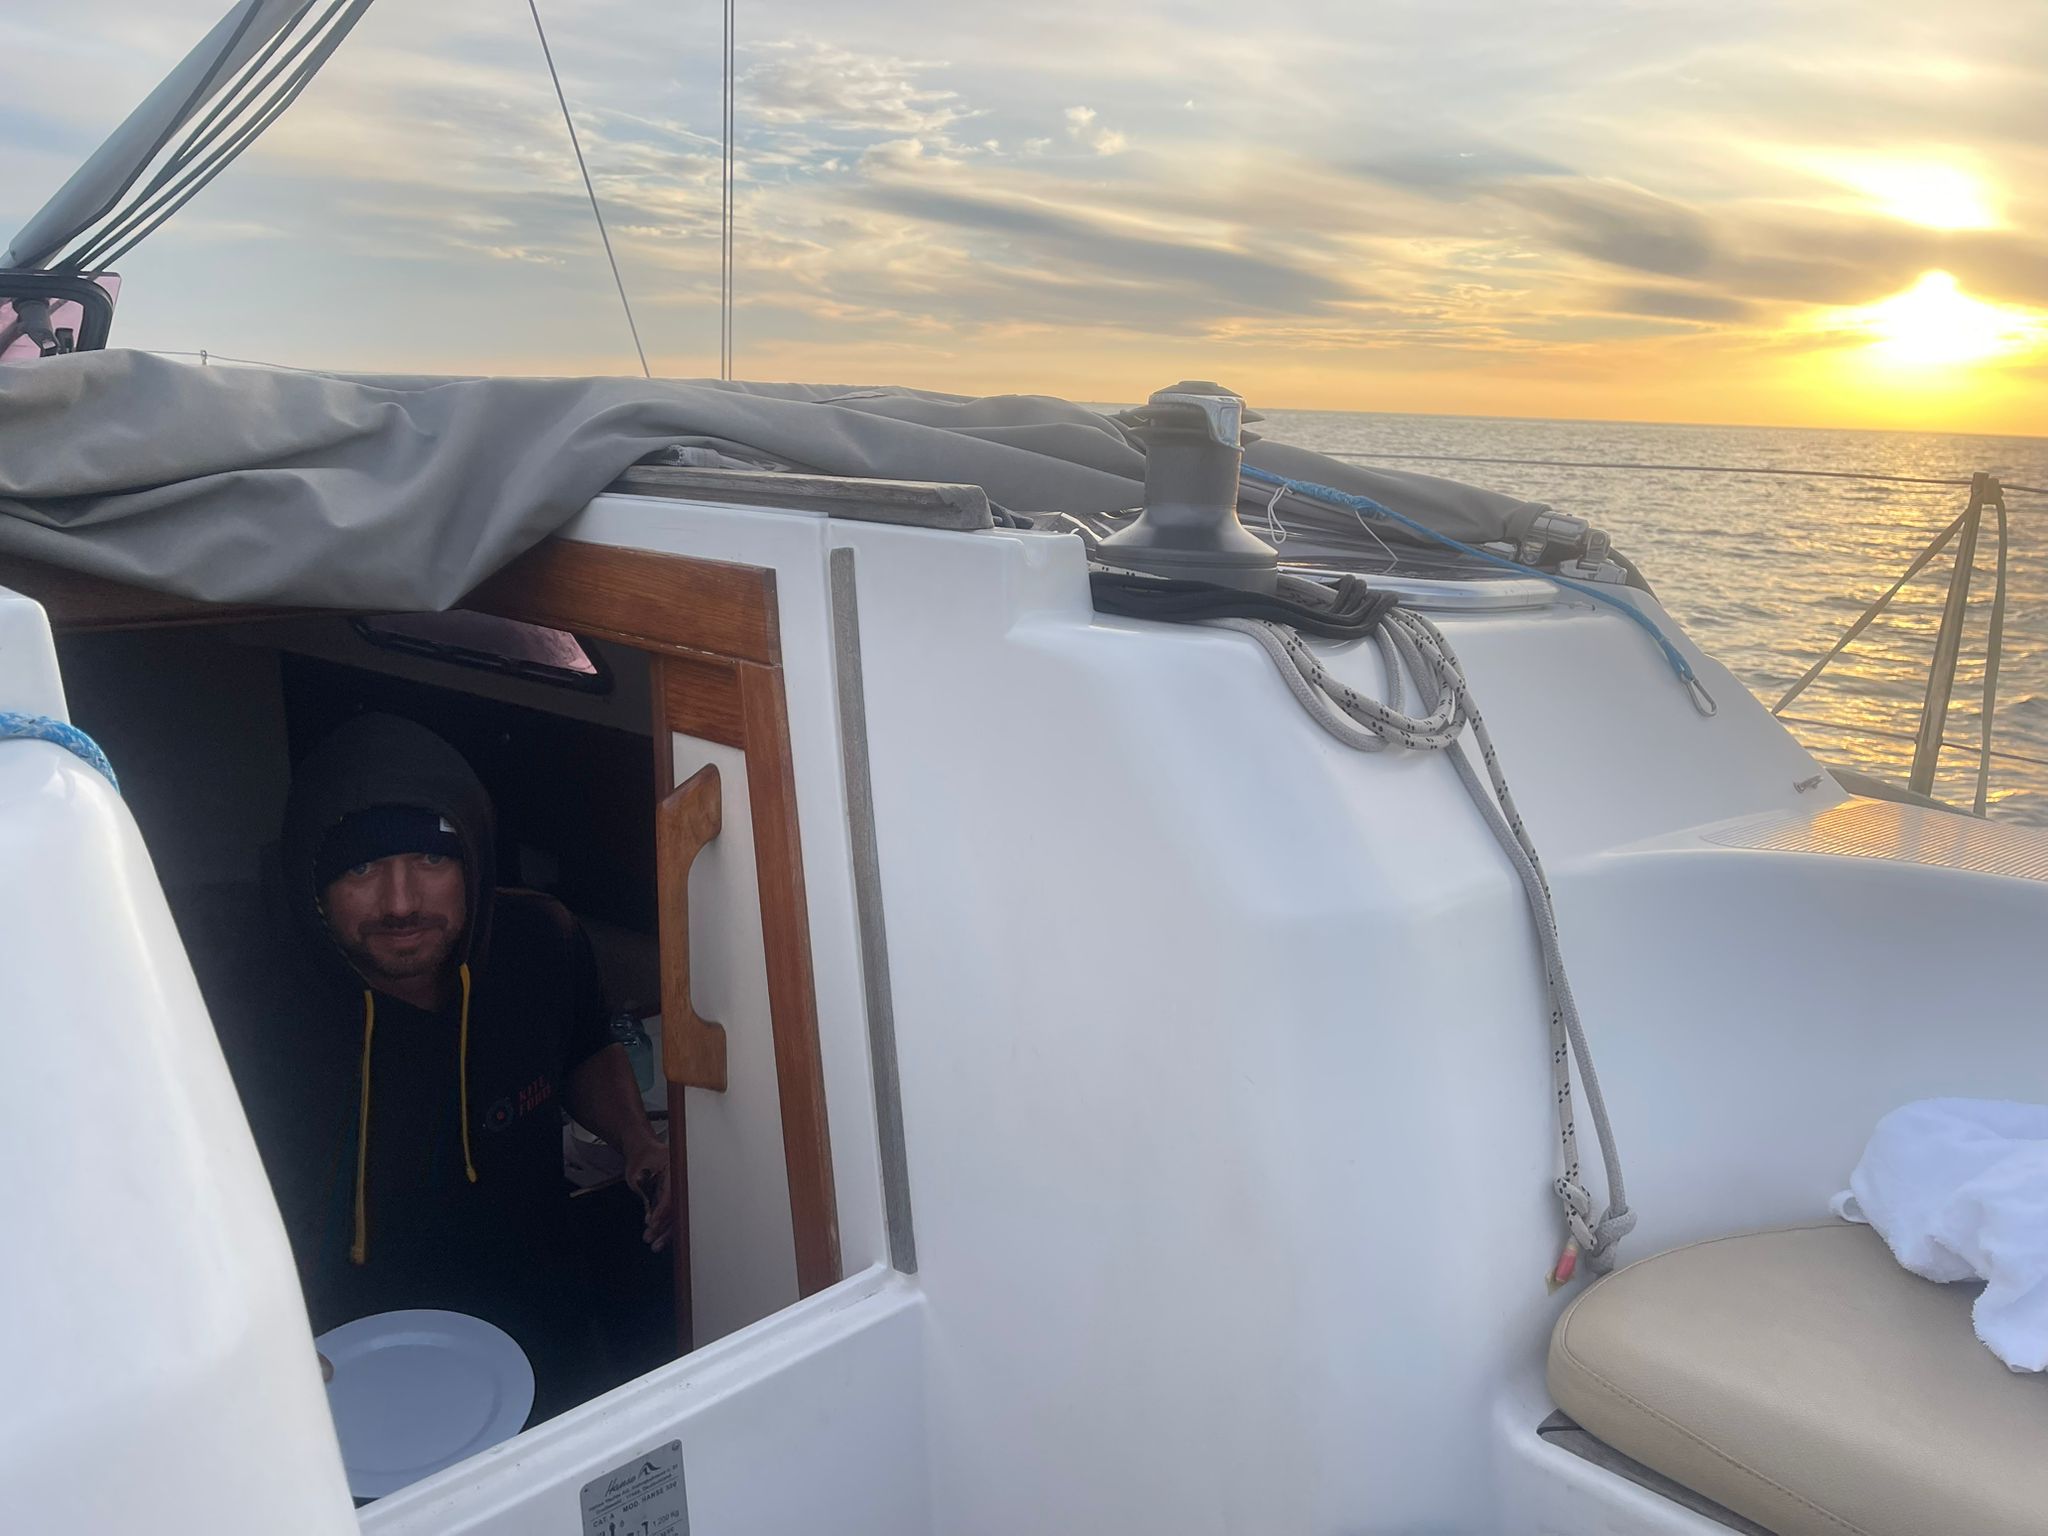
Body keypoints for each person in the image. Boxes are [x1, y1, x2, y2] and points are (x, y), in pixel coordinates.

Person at [230, 711, 673, 1419]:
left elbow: (583, 1047)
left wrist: (638, 1140)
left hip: (538, 1314)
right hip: (344, 1354)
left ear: (475, 862)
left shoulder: (540, 942)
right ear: (310, 882)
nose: (400, 902)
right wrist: (254, 1336)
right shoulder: (240, 1002)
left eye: (430, 861)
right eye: (361, 868)